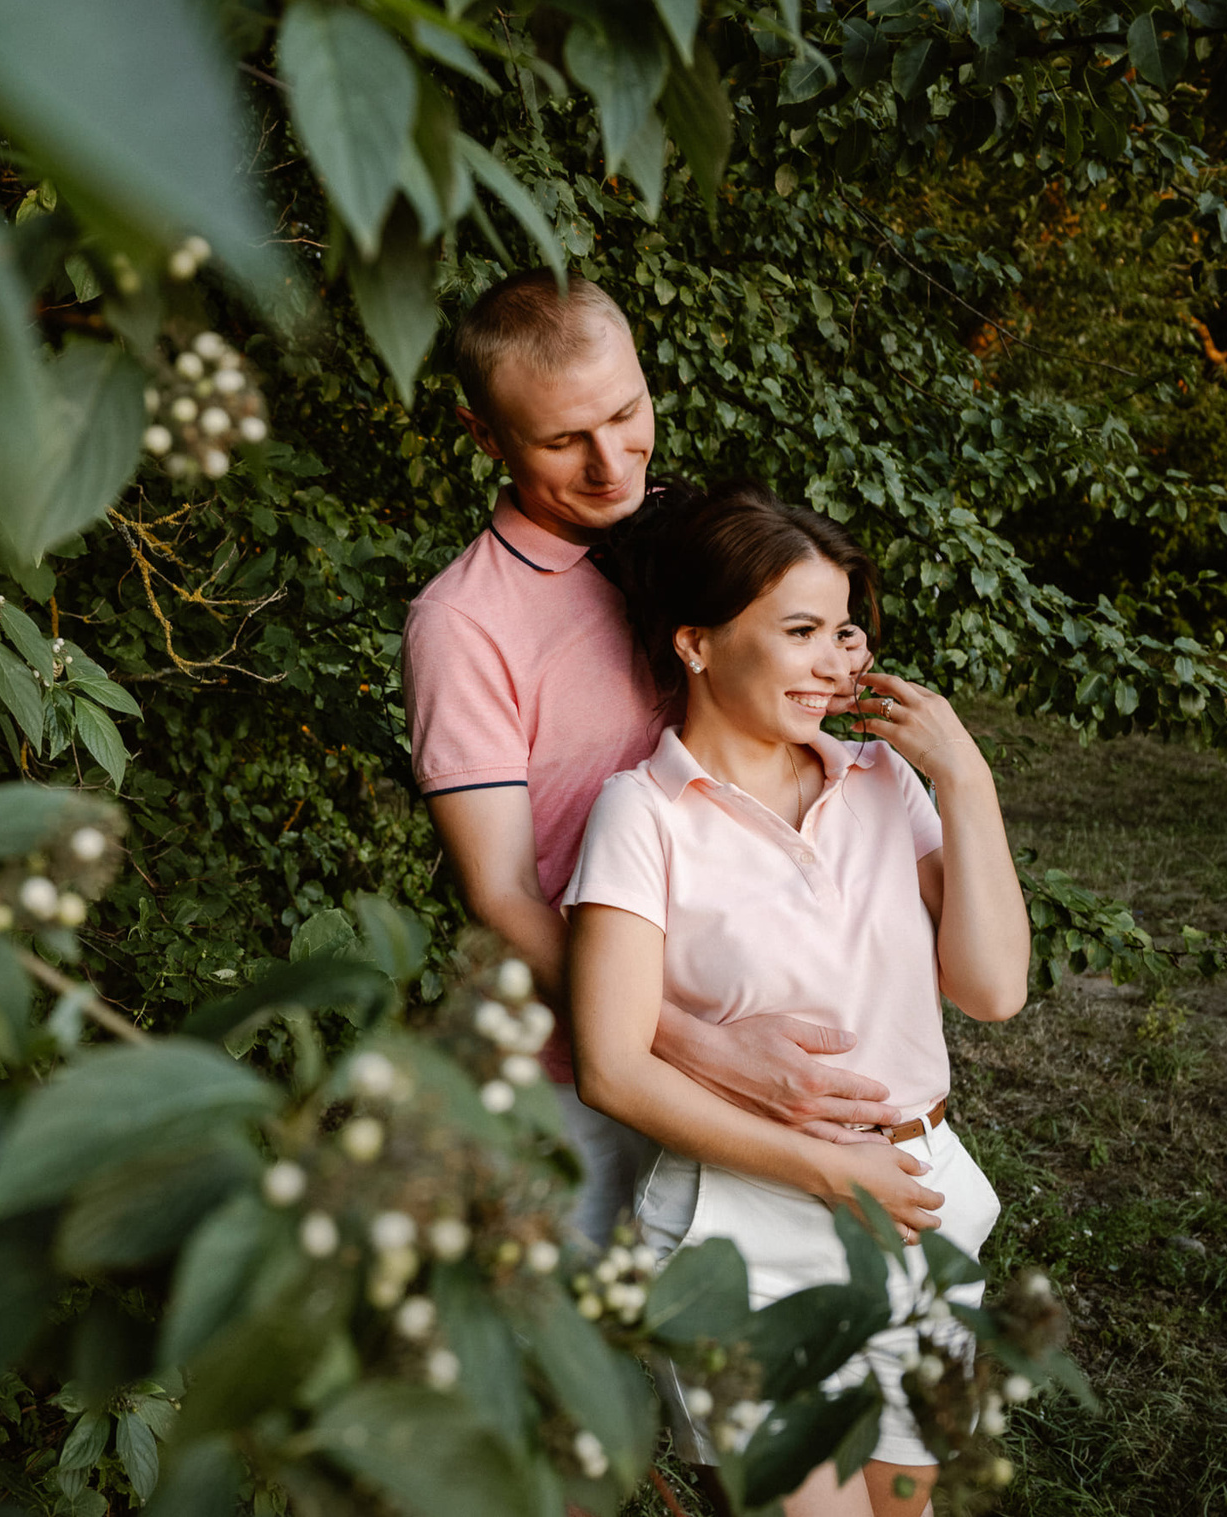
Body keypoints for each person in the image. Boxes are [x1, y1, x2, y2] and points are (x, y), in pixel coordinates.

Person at [403, 273, 906, 1246]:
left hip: (771, 1028)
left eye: (626, 412)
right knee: (555, 1358)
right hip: (569, 1075)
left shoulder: (709, 538)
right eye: (561, 440)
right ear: (485, 436)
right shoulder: (461, 622)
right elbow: (502, 893)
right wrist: (701, 1047)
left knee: (751, 1357)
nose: (609, 464)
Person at [564, 483, 1032, 1517]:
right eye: (802, 630)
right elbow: (611, 1061)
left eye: (847, 630)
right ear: (696, 642)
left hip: (921, 1200)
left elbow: (993, 987)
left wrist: (964, 776)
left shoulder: (880, 781)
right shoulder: (642, 814)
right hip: (748, 1230)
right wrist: (826, 1167)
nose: (838, 661)